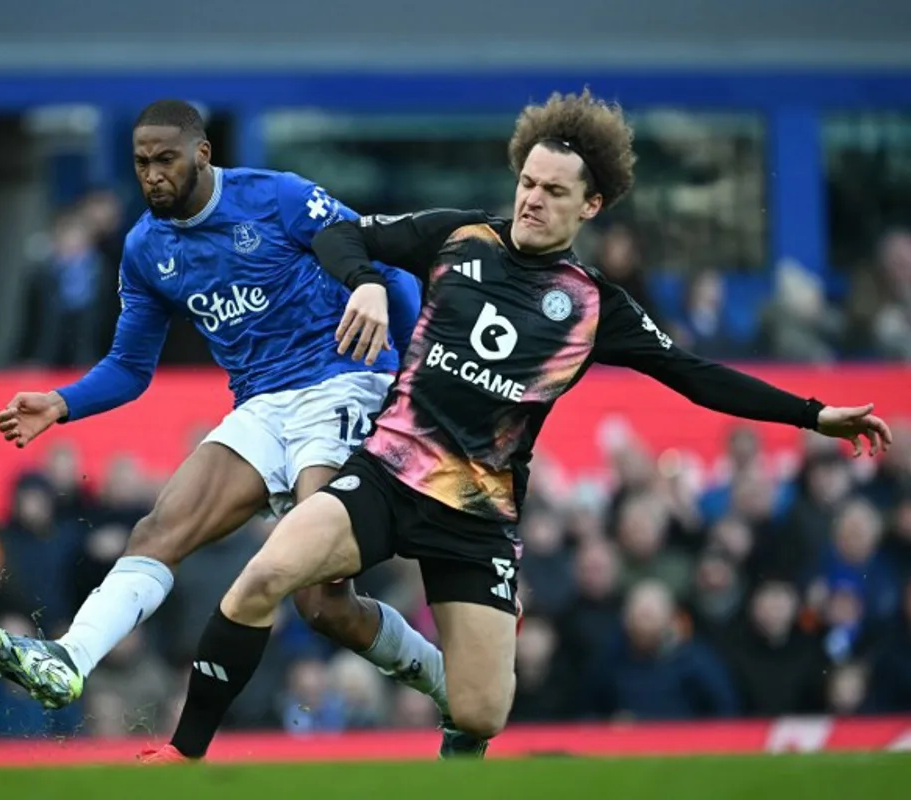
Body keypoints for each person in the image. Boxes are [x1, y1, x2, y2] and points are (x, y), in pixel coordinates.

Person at [140, 88, 894, 763]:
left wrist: (812, 414)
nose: (532, 199)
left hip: (476, 515)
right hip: (386, 474)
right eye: (527, 181)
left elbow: (696, 375)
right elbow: (338, 235)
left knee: (480, 711)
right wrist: (366, 284)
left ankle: (464, 721)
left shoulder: (598, 307)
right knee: (264, 575)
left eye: (553, 190)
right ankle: (183, 757)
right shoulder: (460, 237)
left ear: (589, 206)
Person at [0, 100, 454, 736]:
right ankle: (68, 658)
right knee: (159, 529)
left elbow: (383, 266)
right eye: (141, 164)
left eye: (165, 160)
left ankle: (448, 684)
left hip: (344, 384)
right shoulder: (145, 248)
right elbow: (130, 366)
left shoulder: (277, 197)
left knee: (321, 597)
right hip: (259, 405)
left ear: (202, 154)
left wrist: (407, 376)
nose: (152, 175)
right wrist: (62, 402)